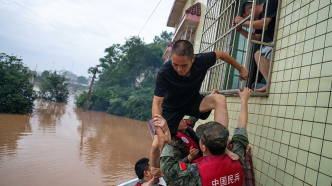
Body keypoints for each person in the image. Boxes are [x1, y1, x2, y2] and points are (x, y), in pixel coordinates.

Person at [150, 40, 249, 176]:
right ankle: (154, 178)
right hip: (171, 108)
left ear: (193, 59)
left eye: (184, 65)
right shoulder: (164, 73)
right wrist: (160, 133)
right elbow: (156, 104)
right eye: (175, 64)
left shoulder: (202, 61)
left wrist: (240, 68)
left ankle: (220, 147)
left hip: (193, 101)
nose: (179, 69)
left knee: (219, 99)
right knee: (156, 144)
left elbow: (220, 54)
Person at [154, 87, 252, 186]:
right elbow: (241, 129)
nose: (183, 120)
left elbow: (169, 172)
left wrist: (166, 136)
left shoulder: (197, 173)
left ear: (204, 148)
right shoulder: (237, 159)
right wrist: (244, 100)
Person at [233, 0, 279, 92]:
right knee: (257, 54)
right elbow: (256, 37)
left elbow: (263, 24)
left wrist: (242, 22)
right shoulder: (260, 18)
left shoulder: (270, 3)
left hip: (280, 39)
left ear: (251, 9)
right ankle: (268, 83)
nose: (251, 21)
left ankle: (270, 84)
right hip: (274, 41)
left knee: (261, 54)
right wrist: (240, 30)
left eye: (249, 19)